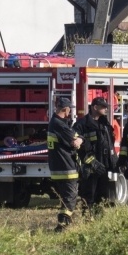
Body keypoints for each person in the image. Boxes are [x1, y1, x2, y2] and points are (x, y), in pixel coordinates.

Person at [73, 96, 116, 211]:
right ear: (95, 107)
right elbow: (77, 148)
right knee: (88, 197)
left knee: (103, 197)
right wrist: (92, 162)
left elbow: (109, 144)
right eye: (103, 107)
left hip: (104, 167)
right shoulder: (81, 125)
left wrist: (113, 163)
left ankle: (99, 221)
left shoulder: (105, 124)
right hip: (90, 168)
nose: (106, 109)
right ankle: (87, 220)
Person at [48, 96, 83, 232]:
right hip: (66, 168)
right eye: (70, 109)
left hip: (57, 168)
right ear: (65, 109)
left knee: (65, 199)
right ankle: (61, 226)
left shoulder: (54, 122)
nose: (70, 112)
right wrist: (80, 139)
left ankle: (63, 224)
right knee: (70, 199)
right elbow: (74, 142)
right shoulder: (60, 125)